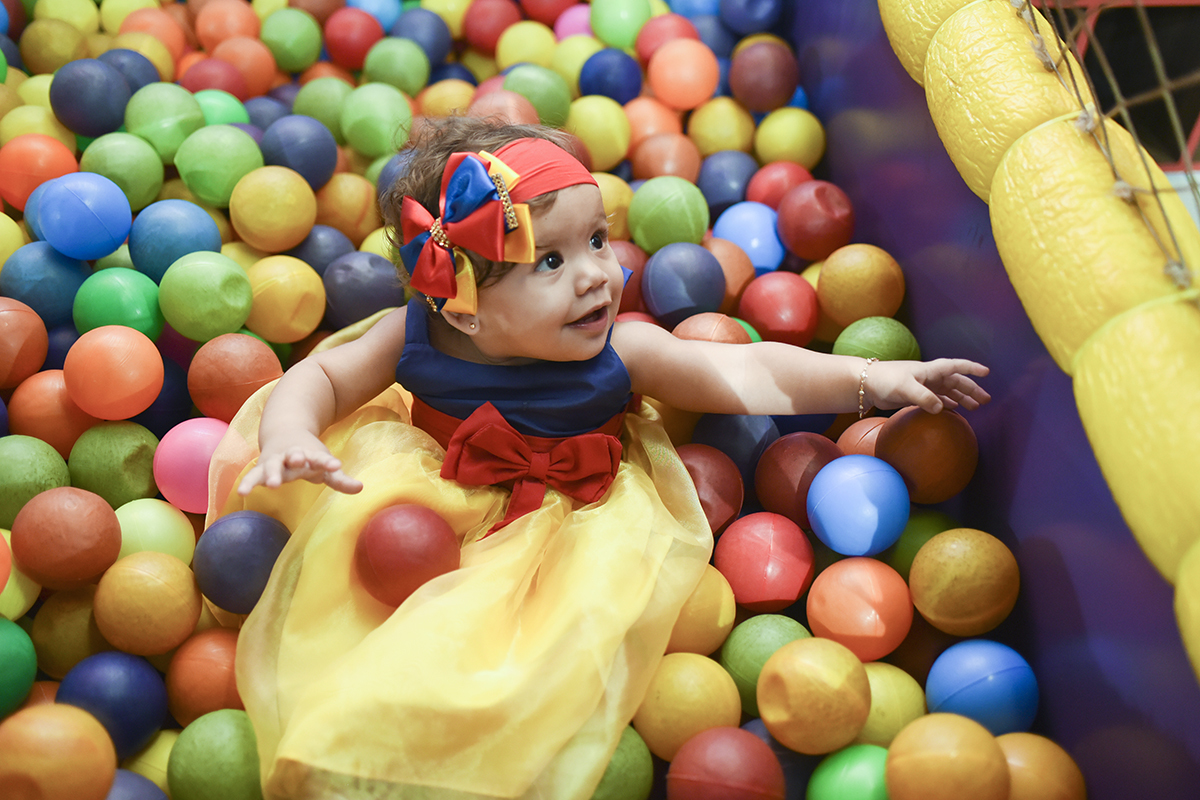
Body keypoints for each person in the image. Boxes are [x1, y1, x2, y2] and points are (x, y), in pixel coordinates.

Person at [207, 116, 990, 800]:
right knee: (371, 636)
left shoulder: (625, 347)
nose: (599, 275)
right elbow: (321, 373)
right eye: (551, 262)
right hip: (425, 500)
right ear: (465, 309)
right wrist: (293, 432)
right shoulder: (414, 333)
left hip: (574, 522)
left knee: (542, 666)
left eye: (595, 238)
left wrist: (871, 379)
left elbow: (746, 374)